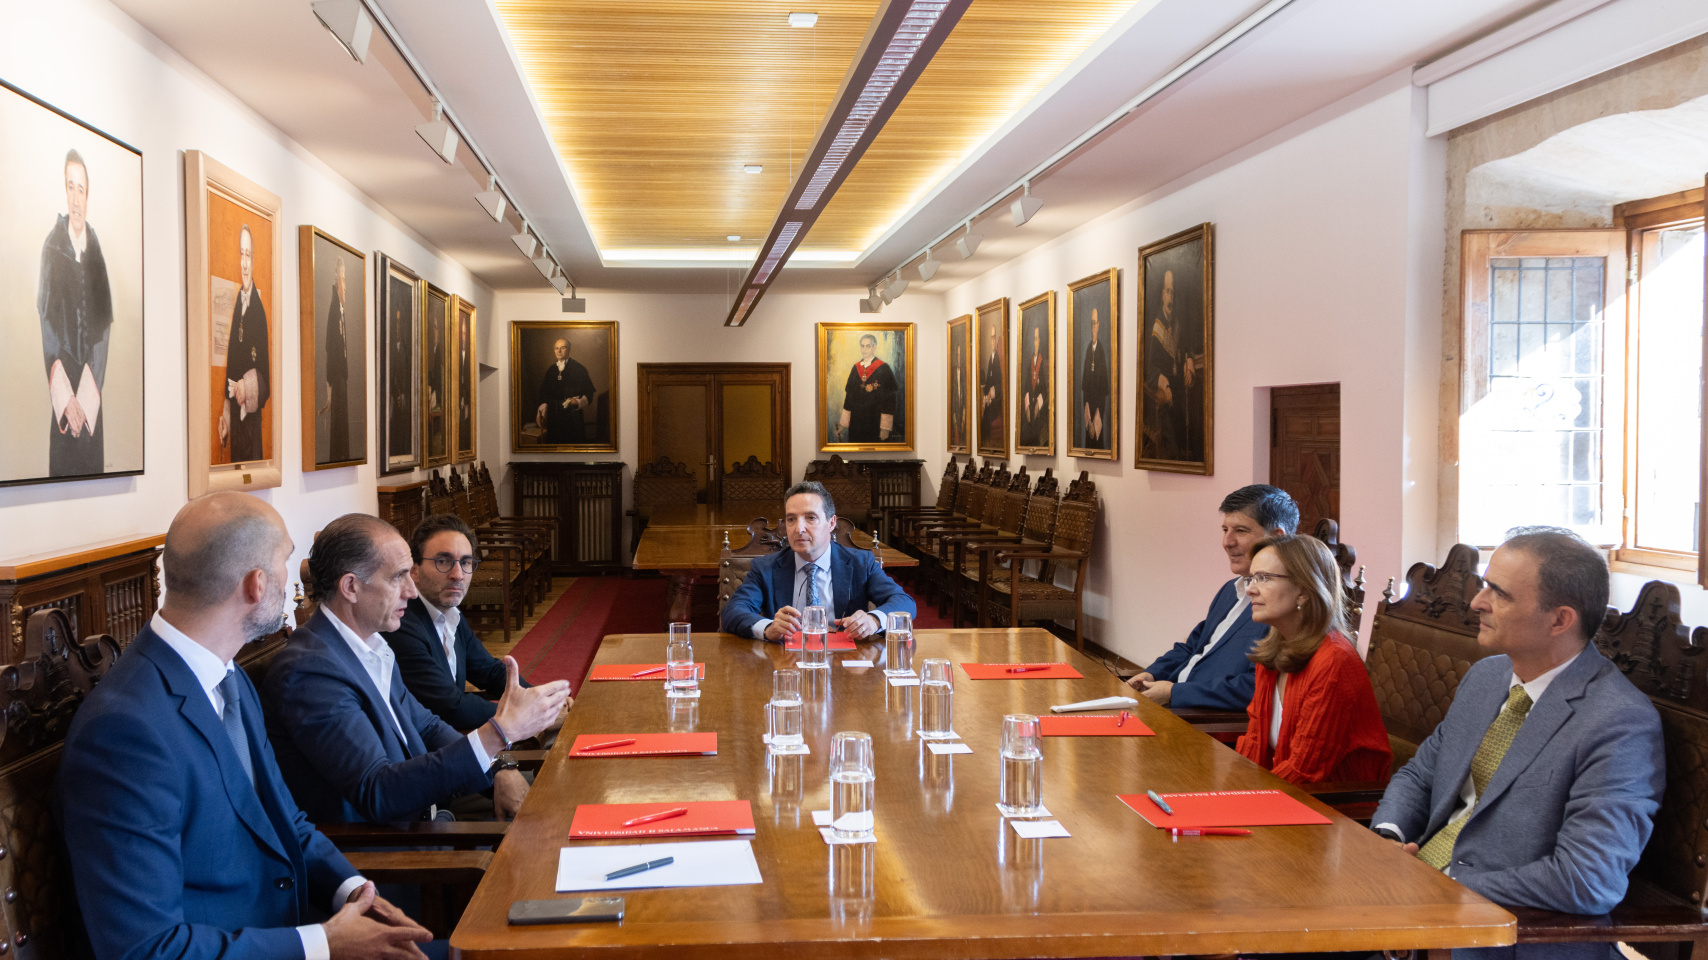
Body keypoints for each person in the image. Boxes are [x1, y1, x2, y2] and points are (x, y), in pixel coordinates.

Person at [55, 491, 434, 960]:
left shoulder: (226, 676)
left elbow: (286, 822)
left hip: (293, 929)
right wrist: (323, 945)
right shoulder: (124, 731)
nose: (292, 581)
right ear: (257, 584)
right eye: (285, 563)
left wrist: (354, 891)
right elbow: (145, 948)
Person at [1371, 528, 1664, 951]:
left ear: (1560, 619)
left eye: (1499, 593)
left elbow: (1588, 878)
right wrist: (1388, 841)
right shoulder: (1487, 676)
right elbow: (1419, 775)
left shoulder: (1619, 722)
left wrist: (1444, 883)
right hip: (1406, 905)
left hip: (1496, 936)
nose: (1477, 601)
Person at [263, 514, 570, 824]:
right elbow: (379, 792)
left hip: (430, 806)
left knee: (559, 797)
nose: (411, 590)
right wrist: (499, 732)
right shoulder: (310, 672)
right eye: (398, 576)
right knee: (550, 821)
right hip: (396, 853)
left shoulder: (372, 646)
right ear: (351, 587)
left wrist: (500, 768)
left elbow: (427, 727)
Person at [385, 514, 567, 734]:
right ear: (414, 570)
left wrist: (544, 699)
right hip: (428, 747)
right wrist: (528, 715)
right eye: (443, 561)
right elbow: (450, 707)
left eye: (466, 562)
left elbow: (489, 672)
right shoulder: (402, 626)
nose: (458, 574)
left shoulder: (452, 615)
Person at [1233, 534, 1391, 785]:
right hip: (1284, 795)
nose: (1251, 588)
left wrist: (1247, 803)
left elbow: (1304, 773)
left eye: (1264, 578)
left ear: (1304, 591)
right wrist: (1232, 791)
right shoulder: (1273, 650)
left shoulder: (1334, 661)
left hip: (1338, 809)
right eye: (1252, 578)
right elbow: (1254, 743)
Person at [1127, 484, 1298, 710]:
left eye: (1241, 530)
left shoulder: (1284, 608)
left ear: (1277, 537)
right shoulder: (1231, 589)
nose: (1227, 542)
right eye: (1225, 530)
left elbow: (1255, 688)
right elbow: (1192, 648)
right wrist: (1151, 673)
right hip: (1172, 702)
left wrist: (1174, 693)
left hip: (1204, 721)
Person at [721, 481, 917, 642]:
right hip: (786, 664)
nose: (799, 528)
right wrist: (768, 628)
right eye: (791, 519)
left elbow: (905, 603)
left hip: (846, 665)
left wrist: (874, 620)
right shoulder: (766, 567)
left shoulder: (860, 563)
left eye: (811, 518)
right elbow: (733, 612)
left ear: (831, 523)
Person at [39, 148, 114, 479]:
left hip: (90, 398)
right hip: (64, 403)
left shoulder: (96, 252)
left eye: (81, 189)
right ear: (64, 191)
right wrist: (68, 401)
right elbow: (47, 325)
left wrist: (85, 399)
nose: (75, 198)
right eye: (70, 187)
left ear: (89, 195)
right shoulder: (52, 247)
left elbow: (104, 329)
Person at [220, 223, 271, 464]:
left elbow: (266, 381)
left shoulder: (258, 311)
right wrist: (226, 416)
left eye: (248, 255)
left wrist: (245, 386)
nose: (244, 263)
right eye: (241, 254)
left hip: (251, 423)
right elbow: (232, 360)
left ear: (254, 259)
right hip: (237, 421)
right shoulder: (239, 305)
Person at [1143, 268, 1201, 463]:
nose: (1170, 297)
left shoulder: (1176, 323)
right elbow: (1149, 370)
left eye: (1173, 292)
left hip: (1179, 397)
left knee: (1194, 440)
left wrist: (1189, 361)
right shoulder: (1157, 326)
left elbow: (1186, 348)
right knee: (1173, 450)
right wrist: (1164, 383)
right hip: (1162, 401)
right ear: (1162, 295)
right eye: (1167, 291)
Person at [838, 333, 897, 443]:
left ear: (874, 347)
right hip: (856, 420)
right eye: (862, 346)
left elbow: (889, 400)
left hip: (875, 420)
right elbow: (849, 397)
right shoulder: (856, 368)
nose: (864, 349)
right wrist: (843, 424)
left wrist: (885, 428)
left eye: (868, 346)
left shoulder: (883, 369)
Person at [535, 336, 595, 444]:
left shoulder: (579, 368)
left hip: (572, 416)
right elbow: (544, 393)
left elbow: (589, 393)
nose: (559, 351)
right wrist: (543, 408)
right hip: (554, 415)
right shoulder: (551, 370)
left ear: (569, 349)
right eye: (556, 348)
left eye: (562, 348)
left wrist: (577, 402)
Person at [324, 256, 350, 464]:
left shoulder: (341, 311)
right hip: (338, 381)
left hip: (341, 380)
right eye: (343, 281)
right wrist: (329, 390)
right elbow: (330, 349)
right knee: (338, 428)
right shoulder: (335, 311)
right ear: (337, 282)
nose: (346, 287)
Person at [1079, 307, 1109, 450]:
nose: (1093, 327)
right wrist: (1088, 421)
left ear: (1099, 325)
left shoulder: (1101, 351)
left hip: (1098, 410)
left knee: (1097, 445)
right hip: (1089, 411)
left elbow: (1103, 389)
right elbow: (1084, 387)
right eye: (1091, 323)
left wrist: (1095, 421)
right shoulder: (1087, 350)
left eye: (1095, 323)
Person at [1019, 322, 1046, 448]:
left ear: (1039, 341)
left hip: (1040, 411)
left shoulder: (1043, 362)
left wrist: (1037, 406)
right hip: (1030, 410)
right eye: (1033, 340)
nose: (1035, 342)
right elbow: (1026, 389)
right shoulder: (1030, 362)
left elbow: (1045, 392)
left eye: (1037, 339)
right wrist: (1028, 407)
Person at [980, 320, 1004, 447]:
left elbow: (1000, 384)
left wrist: (991, 394)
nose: (993, 341)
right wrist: (985, 395)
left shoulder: (998, 359)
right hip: (990, 399)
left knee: (986, 420)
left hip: (996, 400)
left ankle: (986, 444)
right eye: (991, 338)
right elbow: (988, 382)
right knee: (983, 420)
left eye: (994, 337)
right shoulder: (991, 358)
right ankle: (984, 444)